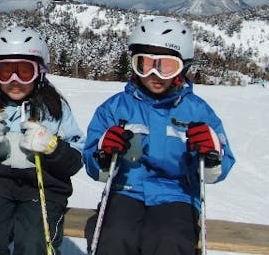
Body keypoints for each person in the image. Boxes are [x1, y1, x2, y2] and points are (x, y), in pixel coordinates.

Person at [83, 16, 236, 255]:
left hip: (176, 193)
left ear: (182, 68)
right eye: (144, 64)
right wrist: (103, 154)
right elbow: (91, 163)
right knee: (114, 237)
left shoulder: (197, 111)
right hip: (125, 189)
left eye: (166, 66)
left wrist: (212, 154)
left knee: (168, 240)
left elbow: (221, 168)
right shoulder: (115, 108)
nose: (154, 74)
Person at [0, 26, 85, 255]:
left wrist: (53, 148)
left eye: (25, 72)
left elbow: (75, 162)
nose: (15, 81)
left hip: (44, 189)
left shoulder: (55, 109)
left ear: (40, 72)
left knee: (33, 243)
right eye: (5, 72)